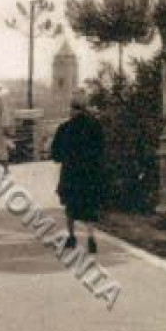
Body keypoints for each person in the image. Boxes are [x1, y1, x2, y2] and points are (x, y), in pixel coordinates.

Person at [50, 99, 105, 254]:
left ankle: (72, 236)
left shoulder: (65, 128)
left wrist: (64, 158)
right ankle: (91, 237)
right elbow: (101, 150)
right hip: (90, 173)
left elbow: (56, 154)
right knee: (90, 206)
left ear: (72, 110)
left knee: (70, 206)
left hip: (71, 173)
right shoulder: (95, 126)